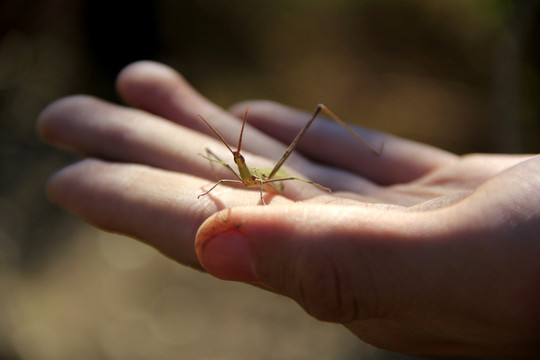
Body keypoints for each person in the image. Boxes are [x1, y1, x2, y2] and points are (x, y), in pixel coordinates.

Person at [37, 61, 540, 357]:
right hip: (255, 182)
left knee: (297, 157)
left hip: (281, 177)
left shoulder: (272, 170)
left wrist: (299, 184)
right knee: (215, 163)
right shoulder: (230, 165)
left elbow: (281, 176)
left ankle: (354, 158)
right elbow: (222, 169)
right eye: (234, 153)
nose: (235, 155)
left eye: (236, 151)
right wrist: (222, 174)